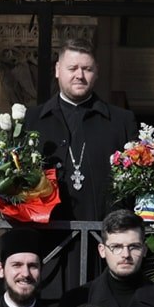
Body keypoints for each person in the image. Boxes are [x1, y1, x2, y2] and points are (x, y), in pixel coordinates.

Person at [32, 38, 139, 228]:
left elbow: (136, 186)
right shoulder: (32, 120)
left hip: (104, 237)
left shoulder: (121, 121)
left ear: (96, 71)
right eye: (72, 68)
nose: (79, 75)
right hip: (46, 237)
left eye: (87, 69)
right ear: (57, 70)